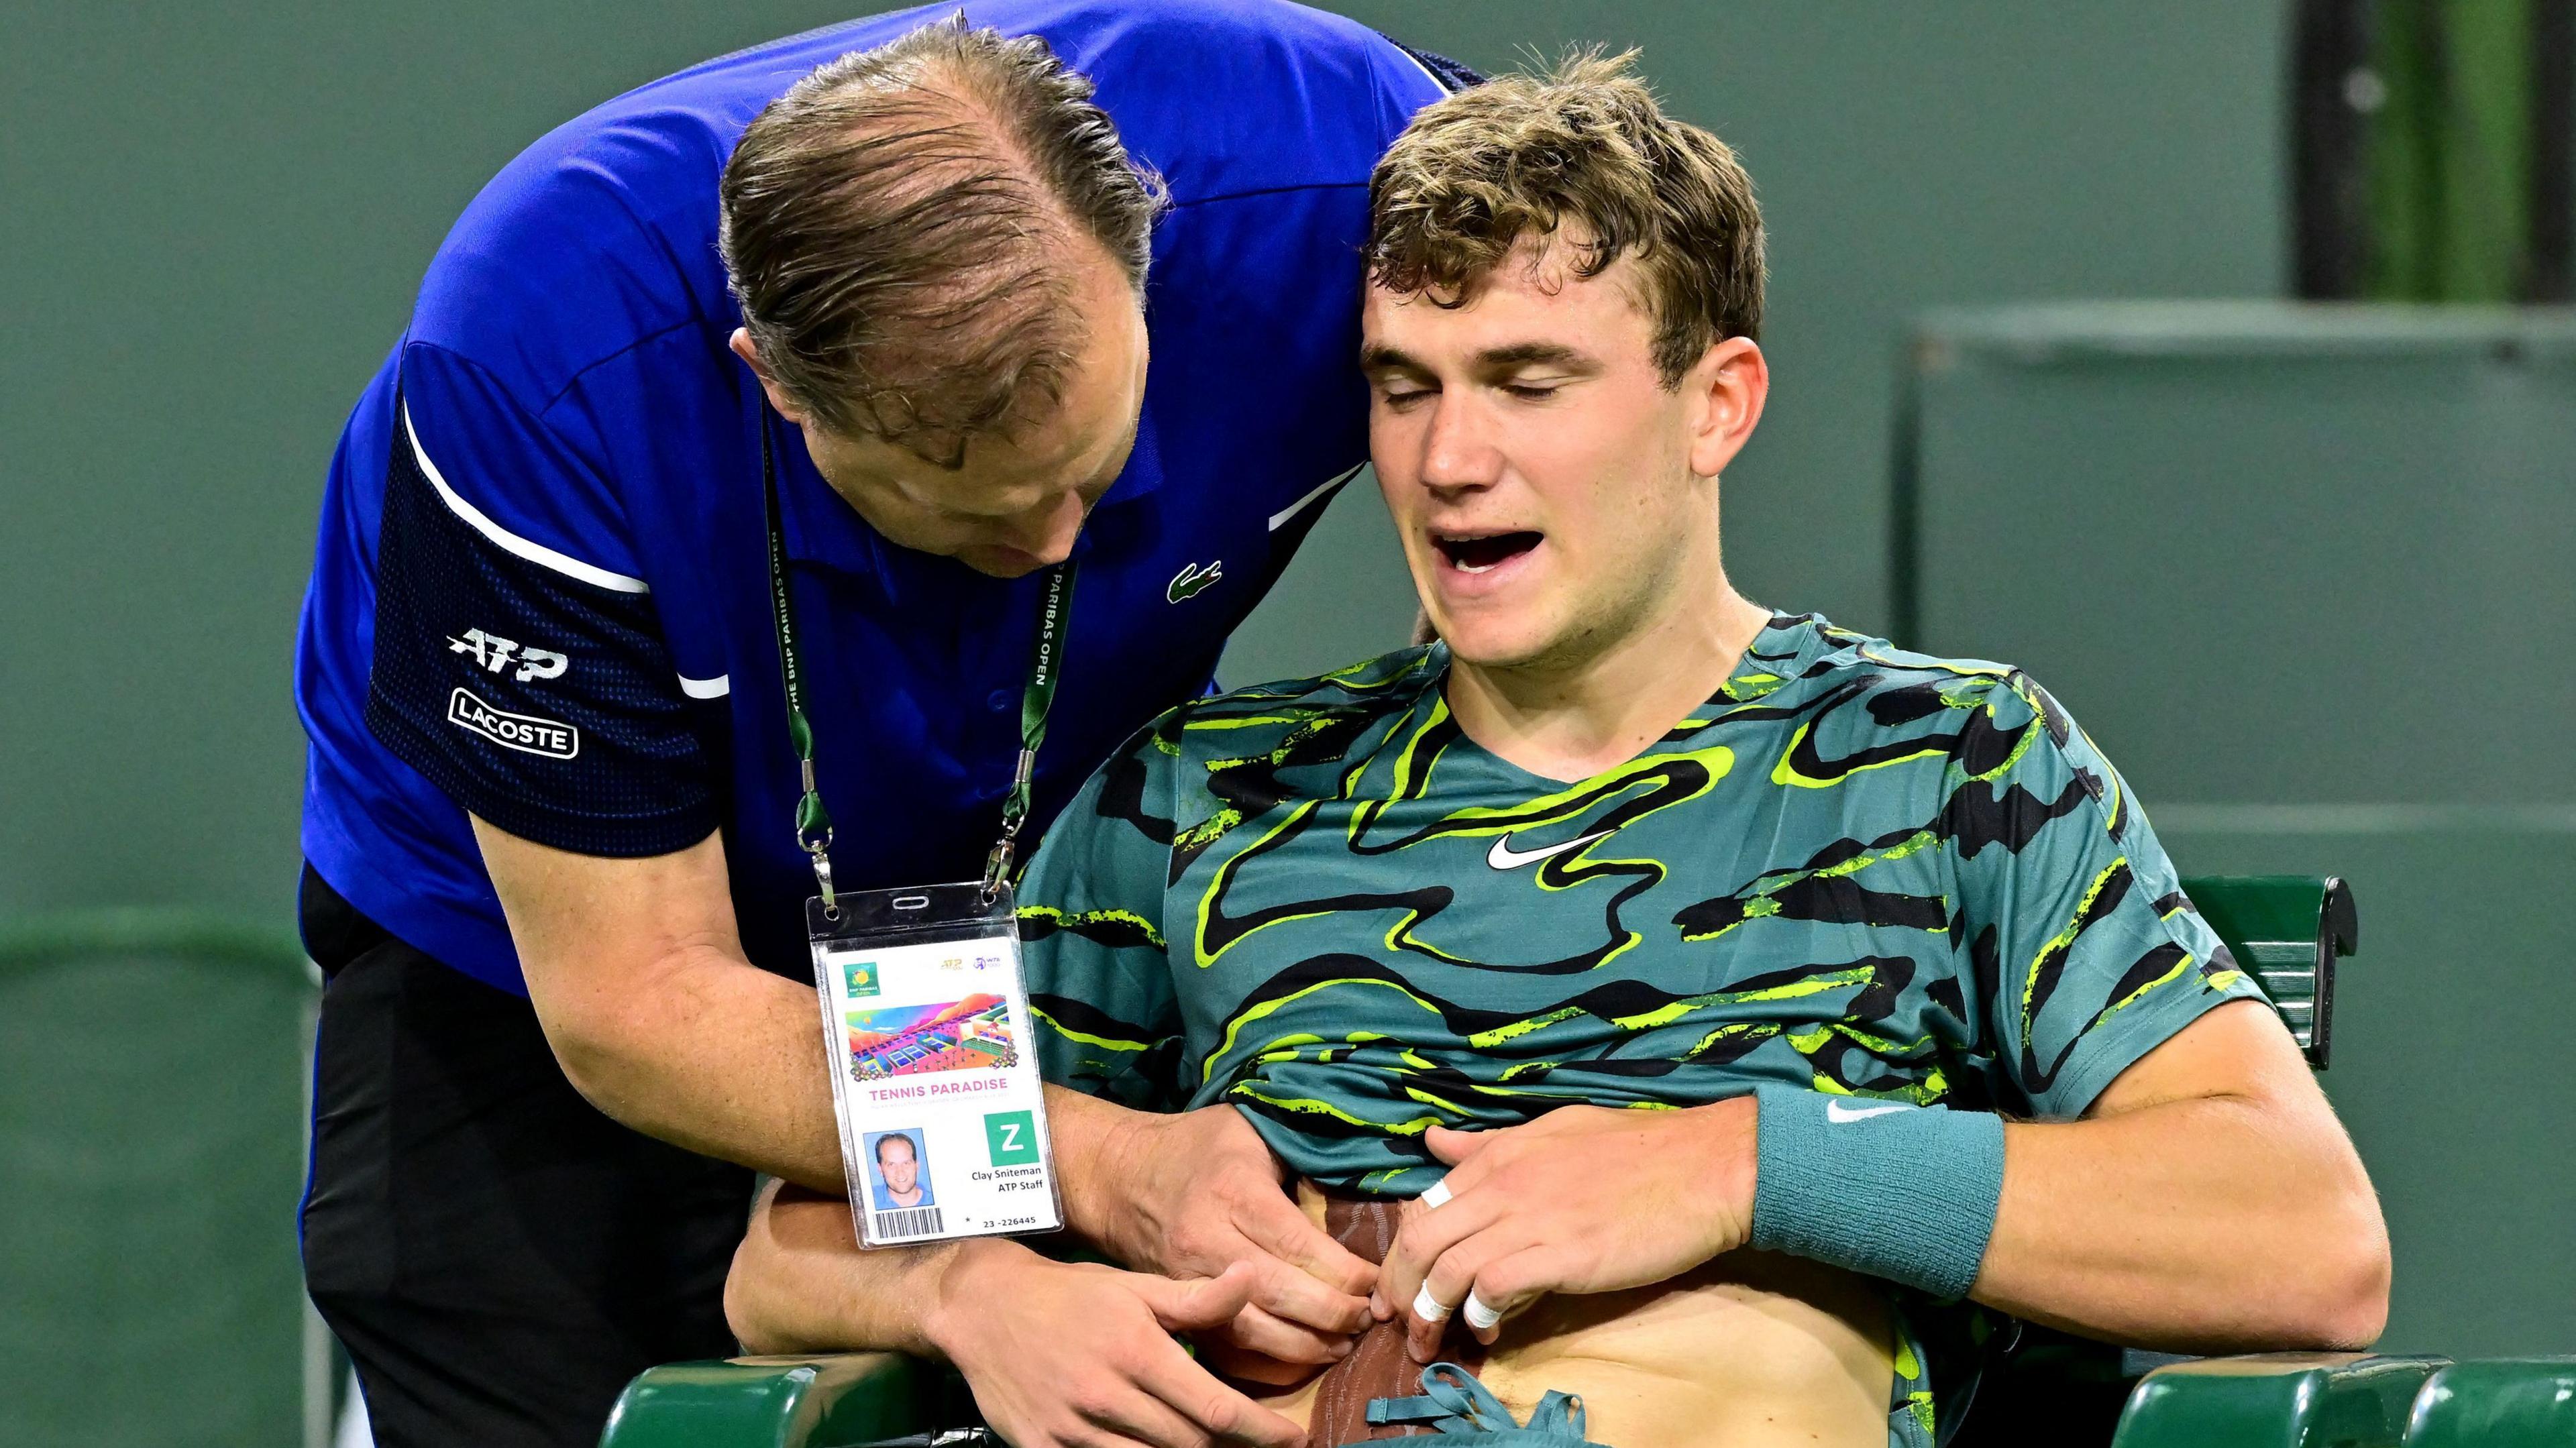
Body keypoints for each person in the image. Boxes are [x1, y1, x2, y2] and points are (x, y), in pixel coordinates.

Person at [724, 52, 2391, 1448]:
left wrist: (1743, 1165)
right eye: (1402, 385)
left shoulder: (1952, 762)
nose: (1451, 458)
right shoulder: (1187, 788)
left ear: (1715, 402)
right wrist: (981, 1287)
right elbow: (788, 1245)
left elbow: (2302, 1241)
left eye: (1528, 380)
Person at [290, 4, 1484, 1443]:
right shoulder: (543, 361)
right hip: (551, 949)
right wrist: (1098, 1173)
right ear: (775, 381)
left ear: (1140, 255)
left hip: (1003, 891)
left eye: (1094, 477)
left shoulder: (1341, 157)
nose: (1059, 547)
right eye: (977, 510)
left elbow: (1597, 347)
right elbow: (640, 1003)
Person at [871, 1133, 933, 1211]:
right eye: (891, 1165)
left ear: (917, 1165)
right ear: (880, 1169)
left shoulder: (938, 1200)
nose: (900, 1173)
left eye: (906, 1163)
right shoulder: (867, 1200)